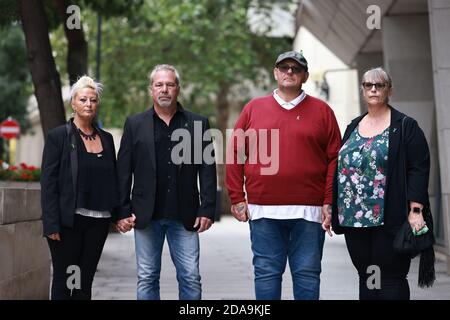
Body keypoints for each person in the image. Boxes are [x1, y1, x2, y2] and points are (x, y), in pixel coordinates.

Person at [225, 50, 341, 300]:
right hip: (263, 210)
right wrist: (236, 197)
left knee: (308, 273)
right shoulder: (253, 108)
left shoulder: (322, 111)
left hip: (309, 212)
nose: (289, 72)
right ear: (276, 72)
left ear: (305, 76)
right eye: (284, 67)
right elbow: (235, 153)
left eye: (296, 68)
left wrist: (329, 201)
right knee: (266, 273)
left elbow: (335, 159)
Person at [116, 64, 217, 300]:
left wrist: (207, 208)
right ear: (151, 89)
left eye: (170, 84)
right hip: (145, 214)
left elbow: (207, 169)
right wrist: (121, 211)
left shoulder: (198, 123)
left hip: (185, 214)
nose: (164, 89)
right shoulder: (135, 124)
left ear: (177, 89)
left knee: (190, 276)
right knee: (147, 276)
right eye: (159, 85)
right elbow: (123, 170)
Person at [331, 67, 431, 300]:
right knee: (367, 275)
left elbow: (419, 168)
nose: (374, 89)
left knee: (391, 276)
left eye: (380, 85)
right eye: (368, 85)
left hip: (389, 216)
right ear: (363, 90)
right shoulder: (353, 126)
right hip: (354, 219)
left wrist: (416, 210)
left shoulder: (405, 126)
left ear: (390, 90)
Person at [41, 75, 119, 300]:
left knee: (84, 281)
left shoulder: (106, 138)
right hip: (68, 223)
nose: (88, 104)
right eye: (83, 99)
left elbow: (112, 179)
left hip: (98, 221)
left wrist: (119, 213)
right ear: (73, 103)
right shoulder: (59, 137)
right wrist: (51, 223)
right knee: (66, 279)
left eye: (93, 100)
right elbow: (49, 182)